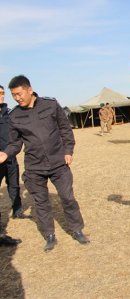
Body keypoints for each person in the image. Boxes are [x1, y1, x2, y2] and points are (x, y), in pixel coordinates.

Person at [0, 75, 89, 251]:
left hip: (58, 163)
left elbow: (65, 129)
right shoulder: (14, 115)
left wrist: (68, 151)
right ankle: (49, 235)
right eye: (13, 96)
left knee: (67, 197)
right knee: (41, 203)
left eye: (19, 94)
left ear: (29, 89)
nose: (17, 98)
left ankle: (77, 230)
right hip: (34, 167)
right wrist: (5, 153)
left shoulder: (50, 104)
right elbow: (15, 143)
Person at [0, 85, 24, 219]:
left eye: (3, 92)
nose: (2, 95)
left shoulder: (9, 113)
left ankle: (17, 210)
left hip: (10, 156)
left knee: (14, 185)